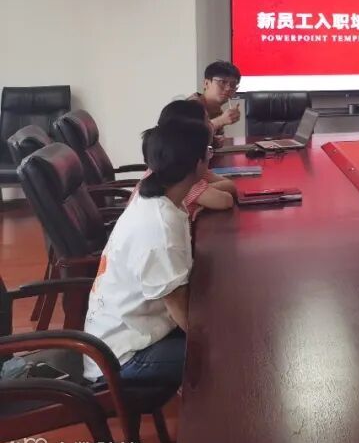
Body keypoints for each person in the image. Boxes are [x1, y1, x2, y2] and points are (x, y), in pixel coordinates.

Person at [82, 118, 209, 393]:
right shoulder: (159, 228)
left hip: (129, 334)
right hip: (123, 359)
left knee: (223, 331)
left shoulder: (156, 200)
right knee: (223, 353)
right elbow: (180, 310)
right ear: (199, 162)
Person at [157, 99, 237, 220]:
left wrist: (206, 191)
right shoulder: (181, 169)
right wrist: (205, 191)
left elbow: (231, 186)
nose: (211, 125)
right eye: (207, 121)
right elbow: (225, 200)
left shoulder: (177, 158)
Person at [189, 60, 242, 133]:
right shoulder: (190, 106)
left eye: (233, 84)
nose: (228, 88)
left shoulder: (217, 111)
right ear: (206, 83)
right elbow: (190, 135)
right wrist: (220, 121)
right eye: (222, 82)